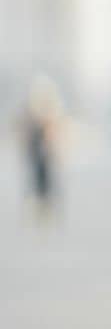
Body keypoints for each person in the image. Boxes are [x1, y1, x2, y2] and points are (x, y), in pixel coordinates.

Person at [16, 75, 71, 227]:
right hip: (36, 151)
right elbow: (24, 132)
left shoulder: (50, 112)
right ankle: (39, 208)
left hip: (45, 153)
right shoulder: (32, 113)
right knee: (37, 180)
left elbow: (55, 132)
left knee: (46, 181)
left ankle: (45, 209)